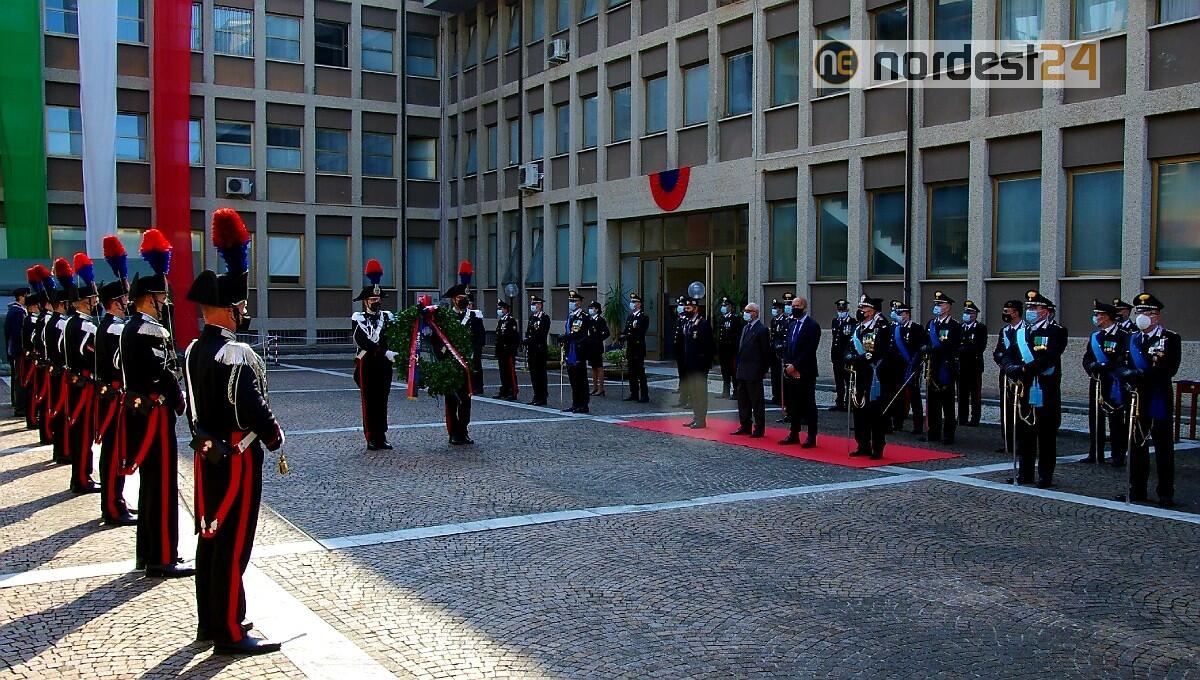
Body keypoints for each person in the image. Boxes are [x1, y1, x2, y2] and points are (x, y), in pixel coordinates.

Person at [185, 207, 285, 655]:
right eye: (240, 307)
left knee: (210, 537)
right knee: (233, 543)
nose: (243, 314)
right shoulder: (236, 353)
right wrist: (274, 435)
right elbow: (252, 406)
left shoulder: (191, 350)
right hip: (239, 458)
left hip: (207, 454)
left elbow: (190, 409)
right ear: (226, 310)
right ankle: (229, 628)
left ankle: (210, 620)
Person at [120, 229, 191, 577]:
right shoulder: (149, 330)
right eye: (161, 296)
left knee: (152, 485)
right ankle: (162, 554)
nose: (165, 302)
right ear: (149, 298)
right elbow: (161, 372)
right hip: (155, 412)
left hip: (141, 410)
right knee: (161, 486)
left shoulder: (130, 327)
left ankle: (148, 550)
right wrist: (178, 399)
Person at [1115, 293, 1181, 508]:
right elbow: (1119, 362)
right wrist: (1124, 372)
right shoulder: (1130, 338)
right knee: (1136, 445)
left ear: (1157, 316)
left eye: (1147, 312)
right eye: (1139, 312)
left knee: (1163, 447)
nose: (1142, 316)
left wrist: (1142, 375)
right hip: (1135, 398)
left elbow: (1168, 369)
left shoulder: (1170, 338)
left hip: (1157, 397)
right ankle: (1137, 488)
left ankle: (1165, 492)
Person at [999, 289, 1067, 488]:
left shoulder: (1056, 331)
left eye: (1034, 307)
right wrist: (1009, 366)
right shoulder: (1023, 331)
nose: (1030, 310)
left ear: (1045, 311)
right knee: (1024, 434)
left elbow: (1049, 358)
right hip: (1024, 389)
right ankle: (1025, 473)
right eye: (1028, 307)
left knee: (1046, 435)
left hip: (1046, 389)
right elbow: (1009, 352)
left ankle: (1045, 475)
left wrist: (1023, 369)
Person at [96, 275, 135, 526]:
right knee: (113, 453)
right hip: (114, 397)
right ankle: (112, 505)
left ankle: (116, 500)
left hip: (113, 395)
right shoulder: (114, 329)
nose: (127, 302)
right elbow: (120, 363)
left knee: (115, 451)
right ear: (114, 302)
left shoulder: (110, 325)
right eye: (124, 298)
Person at [62, 253, 101, 494]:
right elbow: (91, 355)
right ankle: (82, 478)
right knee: (83, 432)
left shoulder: (70, 322)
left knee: (79, 431)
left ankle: (81, 475)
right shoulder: (86, 325)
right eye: (93, 296)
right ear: (85, 301)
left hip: (74, 380)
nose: (96, 299)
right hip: (84, 384)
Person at [352, 259, 397, 451]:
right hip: (367, 363)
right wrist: (383, 351)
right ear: (365, 301)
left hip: (384, 364)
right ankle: (371, 436)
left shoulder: (387, 317)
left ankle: (382, 435)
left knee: (382, 399)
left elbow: (394, 336)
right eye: (372, 300)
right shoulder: (358, 318)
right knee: (369, 400)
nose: (375, 303)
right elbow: (363, 341)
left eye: (378, 300)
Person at [845, 295, 895, 459]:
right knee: (859, 411)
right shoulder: (857, 328)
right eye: (860, 309)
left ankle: (877, 446)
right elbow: (851, 346)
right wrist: (849, 356)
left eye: (863, 310)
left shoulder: (880, 328)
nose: (860, 312)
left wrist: (858, 358)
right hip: (858, 374)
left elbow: (878, 352)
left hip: (873, 375)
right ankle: (862, 443)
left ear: (871, 312)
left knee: (875, 413)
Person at [1082, 299, 1129, 466]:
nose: (1096, 318)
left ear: (1108, 317)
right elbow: (1087, 358)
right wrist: (1091, 366)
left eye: (1099, 315)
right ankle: (1095, 453)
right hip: (1097, 381)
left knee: (1116, 420)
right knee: (1095, 418)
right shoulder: (1096, 336)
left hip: (1113, 382)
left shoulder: (1123, 336)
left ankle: (1118, 455)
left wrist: (1104, 365)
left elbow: (1122, 358)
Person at [780, 296, 821, 447]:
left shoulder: (812, 326)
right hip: (791, 371)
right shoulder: (791, 324)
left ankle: (811, 436)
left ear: (804, 307)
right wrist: (788, 366)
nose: (794, 307)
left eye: (797, 305)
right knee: (793, 404)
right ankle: (794, 433)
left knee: (809, 404)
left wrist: (796, 366)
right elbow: (787, 347)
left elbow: (809, 350)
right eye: (793, 305)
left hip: (806, 371)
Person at [924, 291, 962, 445]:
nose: (937, 307)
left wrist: (939, 349)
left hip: (946, 366)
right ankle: (933, 432)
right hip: (932, 366)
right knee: (932, 402)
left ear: (947, 307)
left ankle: (948, 434)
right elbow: (925, 341)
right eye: (936, 304)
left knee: (947, 402)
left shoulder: (954, 325)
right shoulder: (930, 324)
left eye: (940, 304)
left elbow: (954, 345)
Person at [46, 259, 73, 465]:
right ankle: (64, 450)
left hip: (56, 371)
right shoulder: (61, 324)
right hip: (63, 372)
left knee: (59, 412)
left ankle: (61, 448)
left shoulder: (52, 322)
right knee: (64, 414)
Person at [445, 281, 479, 444]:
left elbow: (480, 337)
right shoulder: (446, 317)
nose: (464, 299)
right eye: (460, 297)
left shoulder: (473, 317)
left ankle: (463, 430)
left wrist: (473, 354)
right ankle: (453, 432)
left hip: (467, 363)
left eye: (466, 297)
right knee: (452, 399)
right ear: (453, 299)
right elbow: (438, 340)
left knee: (466, 399)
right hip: (451, 364)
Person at [732, 303, 771, 438]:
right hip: (742, 369)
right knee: (742, 400)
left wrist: (763, 370)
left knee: (756, 402)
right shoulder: (745, 328)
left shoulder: (762, 330)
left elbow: (766, 352)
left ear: (755, 313)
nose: (746, 313)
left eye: (749, 311)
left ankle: (759, 428)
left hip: (754, 371)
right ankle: (745, 425)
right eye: (745, 310)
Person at [889, 300, 927, 435]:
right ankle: (897, 423)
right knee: (897, 396)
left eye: (901, 313)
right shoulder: (894, 328)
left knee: (914, 397)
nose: (898, 315)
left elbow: (919, 348)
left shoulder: (916, 328)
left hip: (911, 366)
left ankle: (918, 426)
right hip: (897, 367)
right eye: (897, 313)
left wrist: (915, 365)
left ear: (907, 314)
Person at [993, 299, 1024, 454]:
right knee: (1006, 408)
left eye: (1007, 312)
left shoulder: (1026, 330)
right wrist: (1002, 360)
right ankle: (1007, 442)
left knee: (1019, 409)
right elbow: (998, 351)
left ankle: (1020, 442)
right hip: (1005, 373)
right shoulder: (1004, 331)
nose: (1004, 314)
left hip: (1020, 374)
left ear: (1016, 313)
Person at [680, 297, 714, 429]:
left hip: (699, 366)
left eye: (688, 308)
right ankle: (696, 417)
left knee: (700, 393)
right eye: (685, 308)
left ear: (695, 309)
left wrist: (705, 366)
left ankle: (701, 419)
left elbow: (708, 347)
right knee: (693, 392)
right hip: (689, 364)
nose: (686, 310)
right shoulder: (688, 323)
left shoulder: (703, 324)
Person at [560, 290, 592, 413]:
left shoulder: (584, 317)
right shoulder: (570, 316)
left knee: (581, 379)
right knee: (573, 378)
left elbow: (580, 334)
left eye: (574, 301)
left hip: (579, 350)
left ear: (580, 302)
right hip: (570, 350)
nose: (572, 303)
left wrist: (566, 337)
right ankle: (575, 403)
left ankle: (583, 404)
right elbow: (569, 332)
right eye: (570, 301)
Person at [956, 300, 987, 427]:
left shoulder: (980, 328)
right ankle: (962, 418)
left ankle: (975, 418)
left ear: (975, 315)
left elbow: (979, 347)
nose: (966, 314)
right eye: (965, 312)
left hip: (974, 366)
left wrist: (963, 349)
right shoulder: (960, 327)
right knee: (961, 393)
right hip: (961, 366)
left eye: (969, 312)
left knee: (975, 394)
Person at [619, 292, 649, 403]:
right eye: (631, 302)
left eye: (634, 302)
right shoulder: (630, 316)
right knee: (631, 372)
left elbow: (640, 333)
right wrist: (622, 335)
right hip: (630, 347)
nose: (632, 304)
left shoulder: (643, 317)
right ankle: (634, 393)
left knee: (640, 372)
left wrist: (626, 336)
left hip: (638, 347)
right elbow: (627, 330)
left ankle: (644, 395)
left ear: (639, 304)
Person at [524, 294, 551, 406]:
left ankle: (542, 396)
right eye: (532, 304)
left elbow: (541, 334)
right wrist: (526, 339)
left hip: (539, 350)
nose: (533, 306)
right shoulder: (532, 317)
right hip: (532, 350)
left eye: (535, 304)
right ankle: (536, 395)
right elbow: (529, 331)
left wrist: (530, 340)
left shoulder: (544, 318)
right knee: (534, 374)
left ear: (540, 305)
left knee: (541, 374)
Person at [6, 287, 29, 417]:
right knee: (20, 379)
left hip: (15, 350)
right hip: (19, 351)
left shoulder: (14, 311)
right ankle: (20, 407)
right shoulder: (17, 312)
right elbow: (16, 334)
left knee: (17, 378)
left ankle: (17, 403)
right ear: (21, 297)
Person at [715, 296, 743, 400]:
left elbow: (737, 335)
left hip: (732, 350)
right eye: (723, 305)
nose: (723, 307)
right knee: (725, 371)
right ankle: (725, 391)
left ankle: (736, 392)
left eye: (725, 305)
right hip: (723, 350)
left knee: (733, 372)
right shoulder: (722, 318)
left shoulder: (735, 319)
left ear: (730, 307)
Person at [827, 299, 853, 412]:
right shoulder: (835, 321)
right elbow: (835, 339)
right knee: (838, 381)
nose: (841, 311)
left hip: (846, 357)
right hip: (837, 356)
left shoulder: (852, 322)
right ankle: (839, 402)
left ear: (847, 310)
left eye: (843, 309)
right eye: (839, 309)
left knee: (848, 381)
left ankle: (849, 403)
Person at [494, 299, 521, 400]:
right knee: (503, 372)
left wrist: (512, 350)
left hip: (508, 350)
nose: (499, 310)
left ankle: (512, 391)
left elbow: (513, 337)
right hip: (501, 351)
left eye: (500, 308)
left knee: (510, 372)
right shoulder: (502, 320)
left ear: (506, 309)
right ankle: (504, 390)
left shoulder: (511, 320)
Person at [586, 300, 610, 396]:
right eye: (590, 308)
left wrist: (598, 340)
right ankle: (594, 387)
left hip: (597, 347)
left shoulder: (600, 320)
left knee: (599, 367)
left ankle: (601, 388)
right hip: (590, 347)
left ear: (597, 310)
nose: (590, 310)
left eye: (592, 308)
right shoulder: (590, 320)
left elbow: (606, 333)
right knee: (593, 368)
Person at [768, 299, 788, 406]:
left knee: (781, 376)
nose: (774, 310)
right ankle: (775, 395)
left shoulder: (785, 320)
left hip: (780, 352)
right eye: (773, 308)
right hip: (773, 352)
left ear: (781, 309)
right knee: (774, 375)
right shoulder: (774, 320)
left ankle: (782, 397)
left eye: (775, 308)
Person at [672, 296, 689, 408]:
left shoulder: (687, 320)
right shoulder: (679, 319)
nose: (679, 307)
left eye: (681, 305)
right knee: (682, 374)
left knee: (687, 376)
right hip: (680, 351)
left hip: (686, 351)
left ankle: (688, 399)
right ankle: (682, 398)